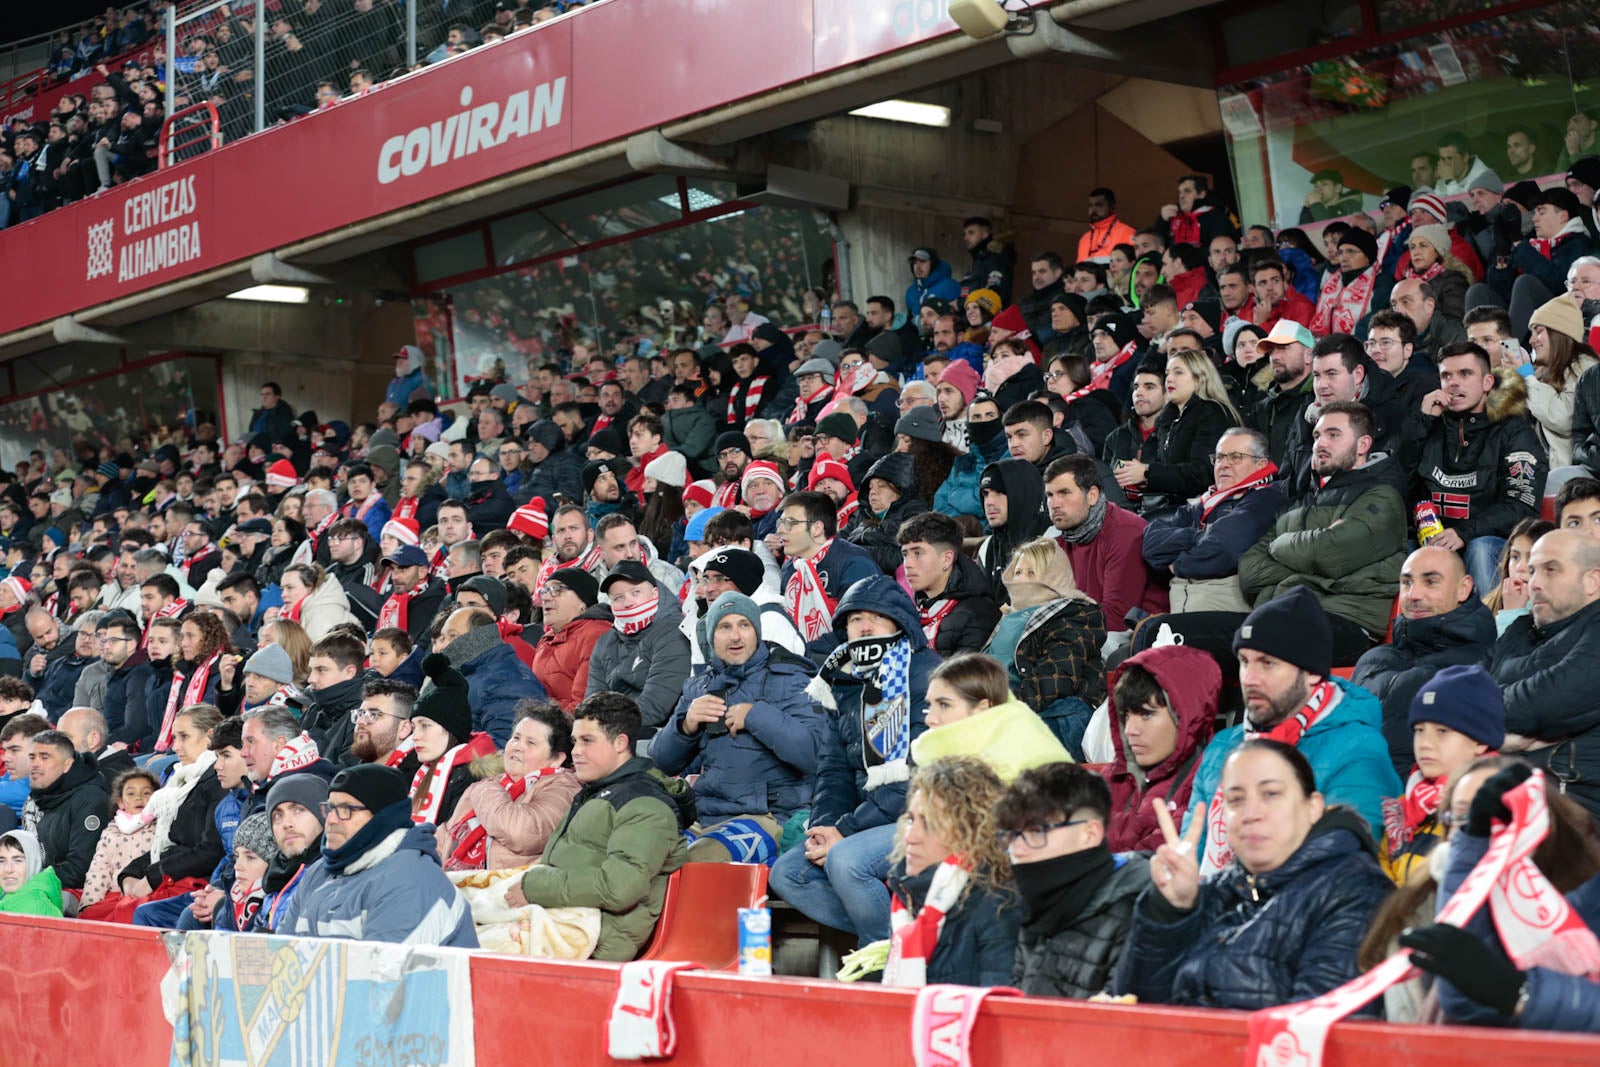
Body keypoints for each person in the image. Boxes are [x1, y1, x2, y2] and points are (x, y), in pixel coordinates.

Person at [1113, 739, 1394, 1009]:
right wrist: (1169, 911)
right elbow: (1132, 1009)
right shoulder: (1217, 889)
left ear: (1313, 808)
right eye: (1236, 799)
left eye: (1270, 794)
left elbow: (1316, 1029)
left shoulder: (1356, 889)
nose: (1250, 813)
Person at [770, 576, 938, 945]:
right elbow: (834, 769)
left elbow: (915, 780)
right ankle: (901, 939)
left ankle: (882, 957)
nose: (864, 627)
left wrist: (845, 831)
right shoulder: (843, 680)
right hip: (868, 819)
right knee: (788, 873)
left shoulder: (926, 675)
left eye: (876, 617)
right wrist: (826, 826)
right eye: (855, 619)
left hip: (925, 815)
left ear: (900, 621)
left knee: (846, 861)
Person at [1184, 588, 1400, 873]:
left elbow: (1344, 872)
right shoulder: (1223, 745)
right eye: (1245, 662)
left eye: (1267, 663)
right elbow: (1190, 856)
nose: (1250, 679)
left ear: (1312, 672)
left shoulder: (1357, 750)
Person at [1403, 762, 1600, 1030]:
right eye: (1461, 816)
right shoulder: (1411, 907)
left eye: (1507, 818)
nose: (1496, 831)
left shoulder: (1573, 898)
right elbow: (1466, 997)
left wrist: (1522, 992)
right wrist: (1474, 844)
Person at [505, 692, 693, 962]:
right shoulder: (597, 792)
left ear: (620, 743)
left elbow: (619, 888)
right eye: (575, 741)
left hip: (594, 944)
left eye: (587, 741)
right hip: (562, 925)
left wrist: (534, 886)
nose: (576, 751)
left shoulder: (646, 805)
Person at [650, 592, 820, 864]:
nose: (735, 636)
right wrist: (685, 725)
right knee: (648, 853)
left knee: (700, 859)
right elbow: (661, 761)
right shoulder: (700, 687)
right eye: (724, 627)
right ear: (711, 637)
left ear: (756, 632)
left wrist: (756, 716)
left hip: (769, 816)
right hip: (706, 815)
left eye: (744, 625)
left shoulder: (791, 678)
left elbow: (814, 755)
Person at [279, 764, 478, 947]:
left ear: (383, 818)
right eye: (330, 808)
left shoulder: (412, 879)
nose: (330, 820)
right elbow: (281, 955)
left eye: (346, 809)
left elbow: (385, 970)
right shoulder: (318, 873)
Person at [998, 762, 1150, 999]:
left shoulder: (1141, 907)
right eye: (1012, 835)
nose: (1017, 849)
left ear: (1089, 834)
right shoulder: (1036, 897)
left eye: (1036, 832)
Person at [1352, 546, 1498, 777]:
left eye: (1430, 582)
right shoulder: (1372, 659)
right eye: (1407, 583)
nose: (1414, 595)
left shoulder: (1481, 664)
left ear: (1463, 589)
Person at [1414, 343, 1548, 595]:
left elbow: (1521, 505)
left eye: (1465, 374)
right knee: (1405, 549)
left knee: (1481, 548)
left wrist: (1463, 533)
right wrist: (1421, 424)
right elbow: (1402, 486)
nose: (1454, 383)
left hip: (1489, 541)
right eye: (1446, 376)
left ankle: (1491, 620)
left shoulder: (1514, 432)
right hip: (1435, 540)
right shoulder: (1429, 425)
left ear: (1487, 382)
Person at [1485, 529, 1600, 820]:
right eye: (1533, 570)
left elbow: (1551, 700)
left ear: (1593, 580)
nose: (1533, 583)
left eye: (1551, 570)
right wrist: (1506, 738)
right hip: (1508, 799)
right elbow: (1458, 697)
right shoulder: (1519, 628)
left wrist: (1481, 724)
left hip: (1574, 814)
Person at [874, 757, 1018, 988]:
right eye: (911, 820)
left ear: (971, 834)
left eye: (930, 824)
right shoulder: (908, 896)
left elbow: (999, 1006)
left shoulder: (1000, 906)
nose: (910, 836)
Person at [1379, 665, 1504, 886]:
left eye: (1442, 731)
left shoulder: (1497, 810)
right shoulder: (1404, 808)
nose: (1425, 744)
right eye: (1419, 730)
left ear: (1480, 741)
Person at [1142, 427, 1286, 614]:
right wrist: (1203, 535)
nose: (1223, 464)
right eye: (1219, 457)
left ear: (1261, 464)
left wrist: (1177, 565)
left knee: (1148, 628)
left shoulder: (1265, 498)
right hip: (1185, 609)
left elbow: (1223, 550)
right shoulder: (1206, 502)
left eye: (1235, 457)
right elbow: (1151, 542)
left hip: (1228, 611)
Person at [435, 700, 581, 871]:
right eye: (516, 738)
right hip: (453, 879)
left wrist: (486, 787)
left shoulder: (564, 788)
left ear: (556, 759)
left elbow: (522, 833)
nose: (517, 746)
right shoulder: (492, 784)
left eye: (531, 743)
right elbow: (445, 836)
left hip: (505, 885)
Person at [1101, 645, 1220, 853]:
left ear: (1186, 717)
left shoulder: (1210, 783)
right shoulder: (1112, 778)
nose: (1130, 730)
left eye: (1146, 714)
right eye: (1126, 715)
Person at [1045, 455, 1167, 636]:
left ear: (1092, 495)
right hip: (1089, 627)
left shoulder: (1125, 532)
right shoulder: (1060, 539)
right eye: (1050, 495)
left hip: (1138, 634)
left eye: (1064, 493)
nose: (1054, 504)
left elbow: (1118, 617)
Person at [1113, 350, 1241, 516]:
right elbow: (1166, 469)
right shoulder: (1168, 419)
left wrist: (1147, 472)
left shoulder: (1212, 413)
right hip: (1175, 506)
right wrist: (1138, 478)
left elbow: (1203, 473)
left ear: (1199, 378)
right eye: (1168, 373)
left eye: (1178, 372)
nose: (1169, 379)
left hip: (1206, 508)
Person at [906, 652, 1068, 783]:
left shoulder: (1016, 774)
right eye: (930, 705)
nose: (930, 719)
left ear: (983, 707)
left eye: (944, 705)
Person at [585, 561, 691, 735]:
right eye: (618, 598)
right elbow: (591, 703)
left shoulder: (675, 631)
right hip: (609, 731)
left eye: (636, 592)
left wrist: (600, 728)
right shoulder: (605, 641)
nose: (628, 603)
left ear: (654, 593)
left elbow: (655, 707)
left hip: (657, 734)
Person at [776, 491, 881, 647]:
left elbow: (860, 629)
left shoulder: (855, 563)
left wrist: (803, 652)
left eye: (790, 522)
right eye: (780, 522)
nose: (780, 530)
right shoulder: (791, 568)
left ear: (817, 528)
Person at [20, 729, 109, 898]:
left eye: (44, 757)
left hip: (73, 892)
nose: (35, 764)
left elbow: (80, 870)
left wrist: (24, 875)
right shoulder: (37, 795)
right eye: (32, 757)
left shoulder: (90, 800)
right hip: (36, 881)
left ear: (67, 764)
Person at [896, 512, 999, 656]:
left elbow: (966, 671)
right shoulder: (915, 609)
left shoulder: (978, 614)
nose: (908, 564)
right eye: (905, 555)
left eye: (918, 553)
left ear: (947, 559)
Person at [530, 568, 611, 713]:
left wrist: (542, 723)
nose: (546, 597)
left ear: (582, 602)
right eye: (545, 590)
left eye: (557, 589)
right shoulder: (545, 640)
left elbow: (584, 707)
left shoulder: (596, 634)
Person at [0, 830, 62, 917]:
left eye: (18, 861)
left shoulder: (34, 905)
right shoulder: (7, 895)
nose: (8, 869)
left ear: (33, 864)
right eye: (1, 861)